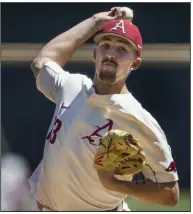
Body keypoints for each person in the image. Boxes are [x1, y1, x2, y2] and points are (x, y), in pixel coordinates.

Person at [29, 6, 179, 211]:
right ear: (95, 53)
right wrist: (95, 21)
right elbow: (42, 62)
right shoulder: (72, 86)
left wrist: (116, 184)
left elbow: (169, 194)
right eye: (105, 45)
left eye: (122, 49)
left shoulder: (137, 118)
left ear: (135, 64)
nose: (111, 54)